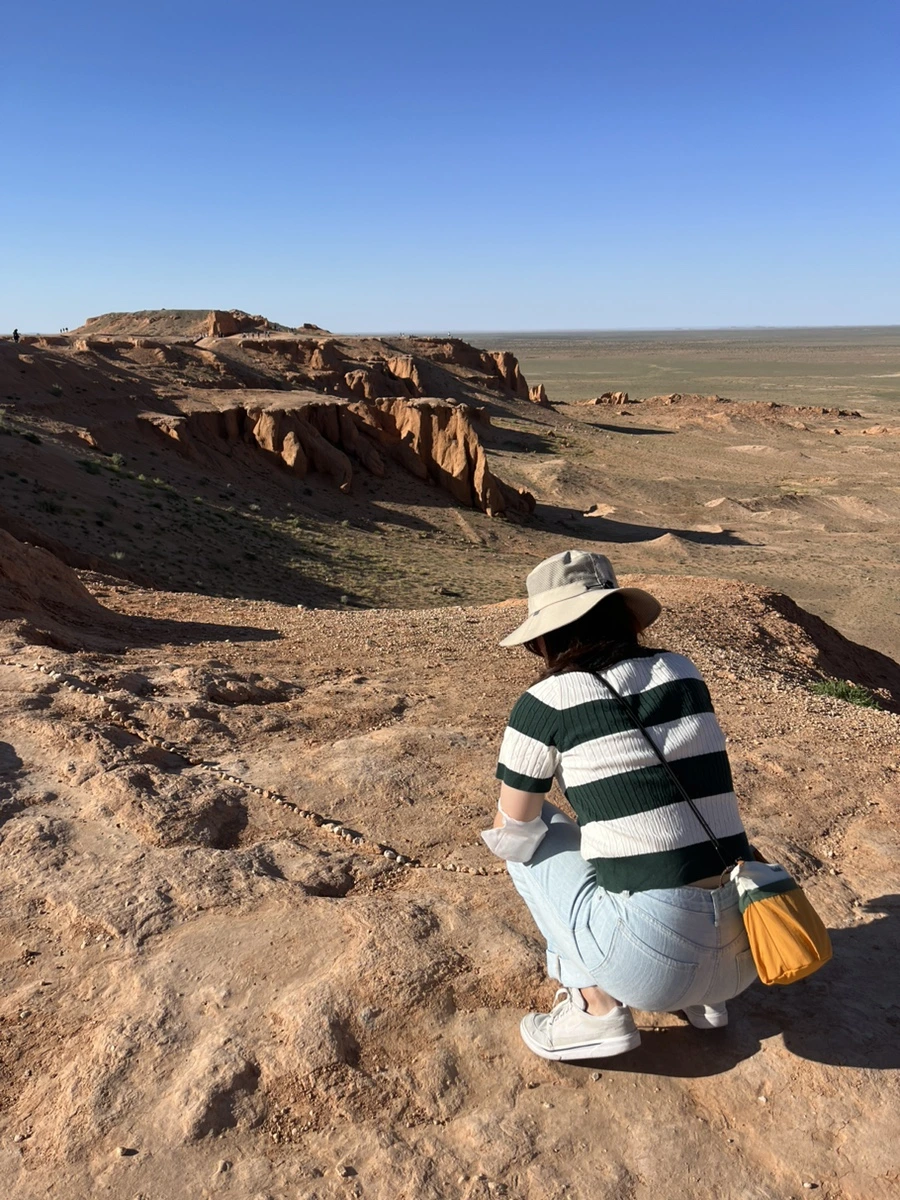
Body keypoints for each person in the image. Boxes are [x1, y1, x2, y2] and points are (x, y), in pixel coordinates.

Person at [483, 550, 757, 1061]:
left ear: (545, 637)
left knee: (530, 832)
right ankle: (706, 1001)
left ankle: (595, 1008)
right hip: (747, 951)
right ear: (624, 617)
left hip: (653, 965)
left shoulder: (547, 701)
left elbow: (513, 833)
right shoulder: (682, 671)